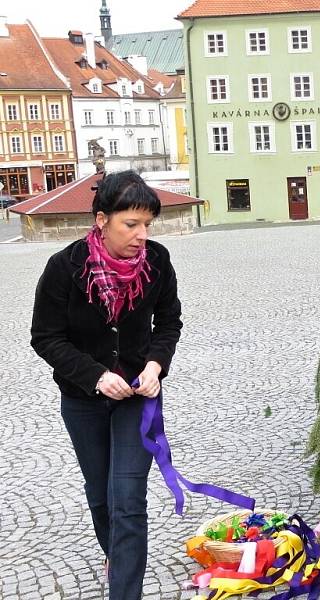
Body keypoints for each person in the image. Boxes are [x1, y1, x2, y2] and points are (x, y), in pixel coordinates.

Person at [31, 170, 182, 599]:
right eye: (130, 224)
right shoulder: (65, 267)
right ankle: (115, 555)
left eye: (147, 224)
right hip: (82, 400)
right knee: (100, 496)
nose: (141, 235)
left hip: (138, 396)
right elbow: (45, 337)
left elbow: (168, 321)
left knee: (128, 500)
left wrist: (155, 364)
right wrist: (96, 376)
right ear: (102, 220)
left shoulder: (157, 262)